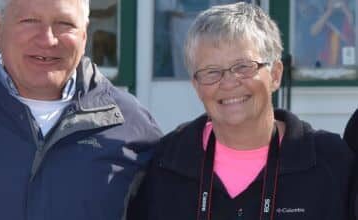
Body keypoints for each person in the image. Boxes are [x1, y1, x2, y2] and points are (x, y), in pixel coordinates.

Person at [0, 0, 163, 219]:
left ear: (84, 36)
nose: (47, 39)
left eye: (65, 24)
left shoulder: (132, 126)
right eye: (29, 21)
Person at [127, 2, 354, 220]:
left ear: (275, 74)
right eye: (211, 72)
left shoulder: (331, 162)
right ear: (196, 86)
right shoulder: (163, 165)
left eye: (243, 67)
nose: (228, 82)